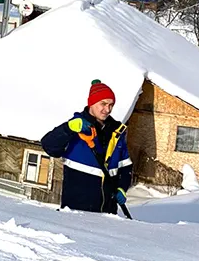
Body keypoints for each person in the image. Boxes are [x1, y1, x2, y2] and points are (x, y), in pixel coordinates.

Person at [41, 79, 133, 215]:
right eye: (103, 104)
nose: (107, 109)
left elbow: (126, 167)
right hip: (76, 209)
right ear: (91, 103)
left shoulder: (116, 132)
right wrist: (68, 128)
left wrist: (122, 188)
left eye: (111, 105)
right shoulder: (76, 127)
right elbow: (49, 146)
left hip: (107, 211)